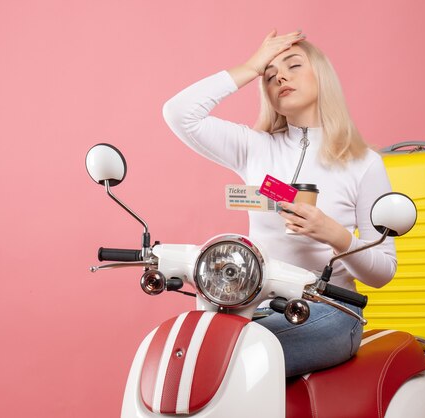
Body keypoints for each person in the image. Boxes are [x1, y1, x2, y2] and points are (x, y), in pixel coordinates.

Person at [162, 29, 397, 377]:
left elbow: (383, 272)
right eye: (270, 77)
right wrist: (250, 67)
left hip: (330, 310)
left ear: (323, 77)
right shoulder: (254, 148)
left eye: (294, 66)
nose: (280, 77)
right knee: (191, 349)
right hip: (255, 307)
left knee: (231, 359)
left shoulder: (364, 163)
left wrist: (334, 234)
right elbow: (179, 113)